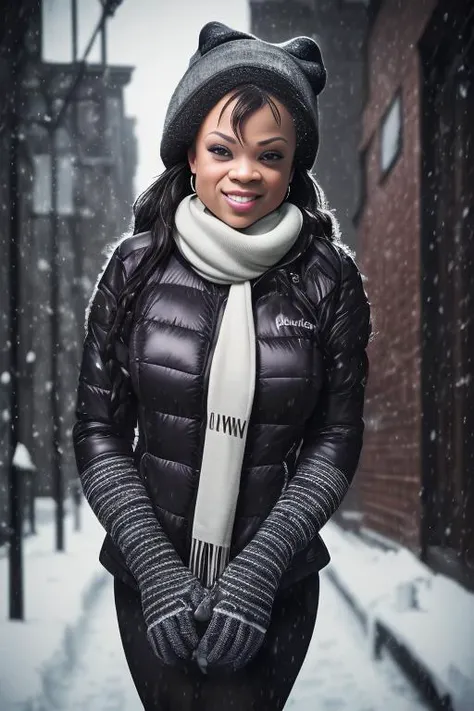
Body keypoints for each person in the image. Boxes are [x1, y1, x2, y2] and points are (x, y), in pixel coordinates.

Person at [72, 20, 371, 711]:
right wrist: (153, 563)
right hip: (150, 584)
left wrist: (258, 571)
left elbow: (336, 437)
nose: (246, 173)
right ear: (191, 154)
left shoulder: (328, 279)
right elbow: (98, 428)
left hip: (277, 587)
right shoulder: (135, 267)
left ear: (294, 165)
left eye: (271, 155)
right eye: (222, 149)